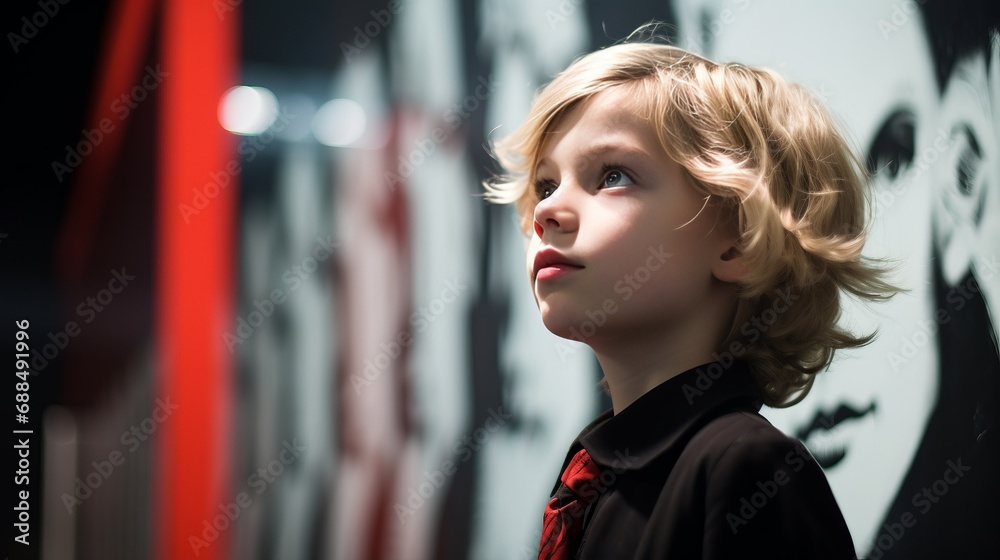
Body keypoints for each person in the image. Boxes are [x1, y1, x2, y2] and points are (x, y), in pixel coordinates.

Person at [483, 33, 895, 559]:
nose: (545, 213)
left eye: (612, 175)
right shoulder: (596, 476)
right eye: (545, 186)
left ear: (740, 238)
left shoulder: (747, 469)